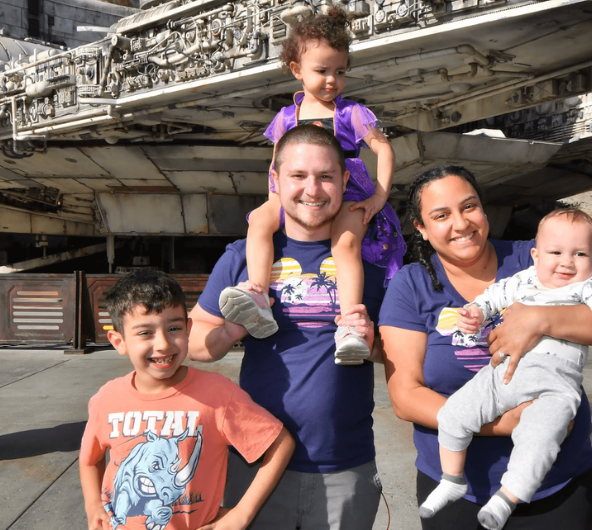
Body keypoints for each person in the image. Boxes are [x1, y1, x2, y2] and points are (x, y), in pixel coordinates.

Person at [379, 165, 592, 529]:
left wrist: (541, 319)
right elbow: (405, 396)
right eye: (441, 215)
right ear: (422, 229)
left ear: (484, 210)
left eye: (469, 206)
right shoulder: (411, 285)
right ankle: (453, 480)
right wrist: (510, 423)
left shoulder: (538, 255)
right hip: (462, 487)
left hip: (557, 487)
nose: (460, 223)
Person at [188, 125, 386, 530]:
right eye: (298, 176)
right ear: (275, 180)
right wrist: (229, 332)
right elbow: (194, 342)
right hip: (256, 462)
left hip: (344, 467)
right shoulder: (242, 257)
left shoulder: (370, 263)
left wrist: (373, 342)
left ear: (344, 181)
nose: (312, 189)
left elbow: (398, 351)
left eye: (325, 176)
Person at [217, 6, 405, 365]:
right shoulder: (286, 117)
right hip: (295, 193)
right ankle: (258, 295)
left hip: (347, 192)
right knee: (258, 220)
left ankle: (351, 322)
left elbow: (383, 148)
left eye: (340, 72)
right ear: (296, 71)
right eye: (322, 71)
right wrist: (275, 203)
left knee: (346, 243)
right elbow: (276, 164)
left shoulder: (351, 113)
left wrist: (380, 196)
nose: (332, 80)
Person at [79, 269, 295, 530]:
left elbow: (280, 442)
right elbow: (89, 459)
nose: (163, 344)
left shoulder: (218, 395)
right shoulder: (106, 398)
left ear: (188, 328)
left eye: (173, 328)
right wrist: (93, 505)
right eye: (145, 333)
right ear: (119, 341)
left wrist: (241, 515)